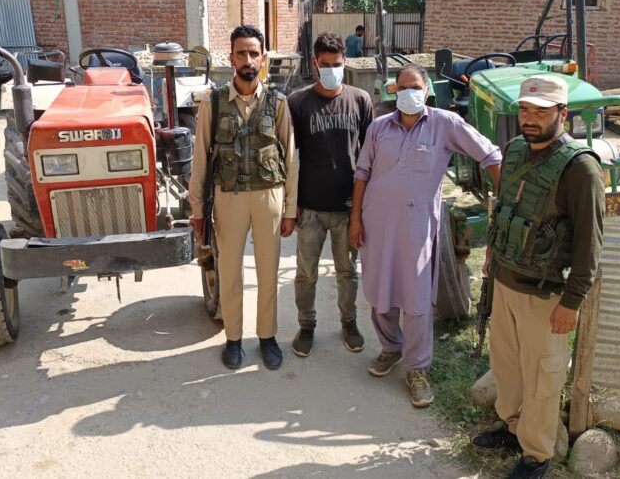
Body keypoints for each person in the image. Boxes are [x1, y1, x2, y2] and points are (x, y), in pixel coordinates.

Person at [471, 74, 605, 479]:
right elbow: (505, 211)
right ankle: (512, 427)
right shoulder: (513, 151)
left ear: (562, 114)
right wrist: (492, 256)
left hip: (546, 297)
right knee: (508, 368)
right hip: (506, 284)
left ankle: (537, 455)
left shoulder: (580, 170)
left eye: (541, 112)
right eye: (525, 110)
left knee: (543, 378)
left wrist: (572, 301)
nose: (530, 119)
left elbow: (590, 244)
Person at [349, 63, 502, 408]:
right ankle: (391, 348)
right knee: (379, 291)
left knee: (416, 300)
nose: (409, 93)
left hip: (417, 229)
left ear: (427, 88)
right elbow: (361, 175)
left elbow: (490, 154)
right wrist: (355, 219)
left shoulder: (444, 124)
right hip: (376, 225)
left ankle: (417, 370)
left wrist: (504, 196)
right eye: (402, 88)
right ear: (394, 92)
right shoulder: (378, 127)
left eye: (414, 86)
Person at [188, 25, 298, 371]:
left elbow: (290, 156)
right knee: (230, 272)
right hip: (229, 198)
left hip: (269, 197)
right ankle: (233, 339)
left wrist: (290, 208)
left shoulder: (278, 102)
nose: (248, 60)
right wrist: (197, 210)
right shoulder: (214, 102)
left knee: (268, 272)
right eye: (241, 53)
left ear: (263, 58)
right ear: (231, 57)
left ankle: (267, 337)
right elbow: (201, 158)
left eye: (254, 53)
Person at [287, 32, 374, 357]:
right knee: (306, 273)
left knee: (347, 272)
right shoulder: (298, 102)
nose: (331, 70)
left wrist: (363, 210)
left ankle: (349, 322)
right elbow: (287, 155)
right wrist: (290, 207)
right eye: (325, 65)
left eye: (336, 64)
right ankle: (306, 325)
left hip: (347, 208)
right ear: (314, 63)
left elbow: (370, 156)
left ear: (345, 62)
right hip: (309, 207)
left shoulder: (360, 100)